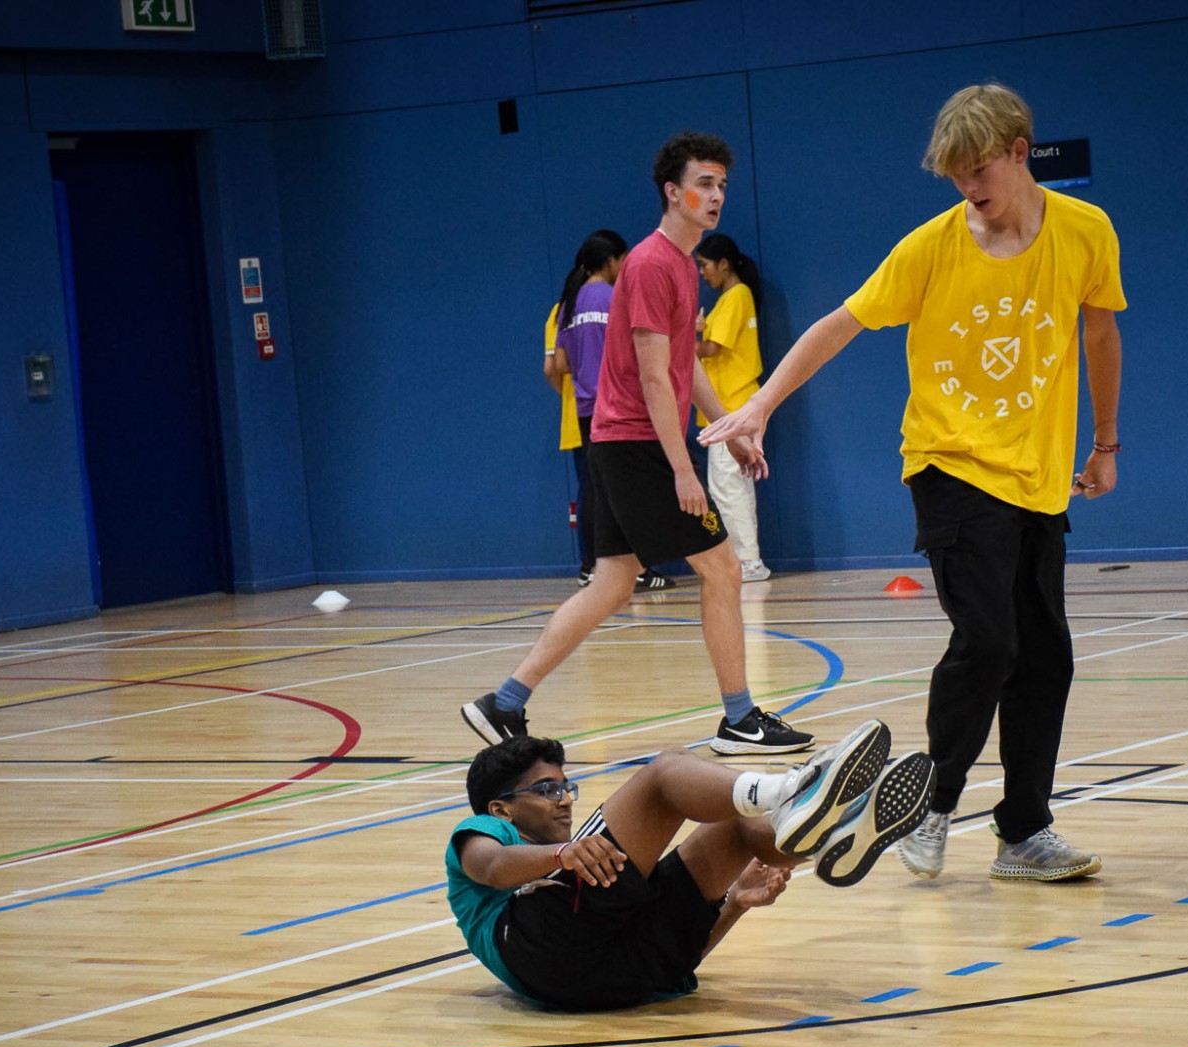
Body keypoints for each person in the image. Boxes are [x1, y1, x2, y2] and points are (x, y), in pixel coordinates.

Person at [701, 83, 1125, 882]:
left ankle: (1024, 833)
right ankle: (930, 806)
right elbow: (839, 325)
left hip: (1038, 478)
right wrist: (760, 404)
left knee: (1046, 657)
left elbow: (1099, 332)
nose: (968, 187)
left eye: (979, 170)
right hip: (949, 464)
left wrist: (1104, 442)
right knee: (989, 641)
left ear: (1019, 152)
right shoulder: (930, 247)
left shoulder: (1085, 231)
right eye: (955, 175)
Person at [467, 132, 815, 757]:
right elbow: (655, 378)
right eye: (705, 184)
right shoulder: (654, 264)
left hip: (620, 443)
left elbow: (686, 364)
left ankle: (505, 702)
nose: (717, 196)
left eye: (723, 185)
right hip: (636, 445)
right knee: (723, 568)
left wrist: (729, 429)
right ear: (672, 192)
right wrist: (683, 468)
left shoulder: (680, 264)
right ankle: (740, 719)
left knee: (612, 583)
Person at [446, 719, 933, 1010]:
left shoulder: (577, 867)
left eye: (565, 787)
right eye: (547, 790)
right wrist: (560, 854)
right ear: (501, 808)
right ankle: (793, 789)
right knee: (664, 775)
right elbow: (493, 867)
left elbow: (670, 956)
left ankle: (835, 836)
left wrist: (733, 905)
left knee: (735, 829)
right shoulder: (485, 833)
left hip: (617, 981)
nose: (565, 800)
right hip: (533, 949)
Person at [548, 230, 674, 593]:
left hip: (586, 410)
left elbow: (560, 364)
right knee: (630, 491)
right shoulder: (615, 297)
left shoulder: (568, 304)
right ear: (611, 261)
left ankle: (592, 567)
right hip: (620, 408)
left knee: (593, 489)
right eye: (623, 260)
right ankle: (637, 569)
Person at [695, 233, 771, 582]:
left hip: (731, 406)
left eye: (704, 265)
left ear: (723, 264)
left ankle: (748, 562)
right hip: (731, 405)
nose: (702, 273)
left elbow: (711, 349)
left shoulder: (735, 296)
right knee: (732, 486)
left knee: (729, 487)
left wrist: (684, 338)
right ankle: (747, 560)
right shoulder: (734, 298)